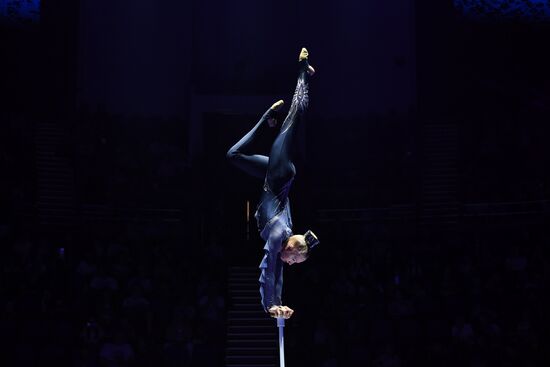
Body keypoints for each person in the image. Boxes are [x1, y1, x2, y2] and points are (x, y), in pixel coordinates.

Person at [227, 47, 320, 319]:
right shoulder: (281, 233)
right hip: (278, 174)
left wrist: (278, 304)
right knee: (293, 118)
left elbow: (276, 271)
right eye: (294, 260)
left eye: (293, 262)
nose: (290, 264)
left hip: (273, 178)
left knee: (233, 156)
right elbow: (267, 270)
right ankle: (303, 69)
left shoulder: (285, 237)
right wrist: (268, 305)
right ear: (292, 247)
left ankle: (268, 113)